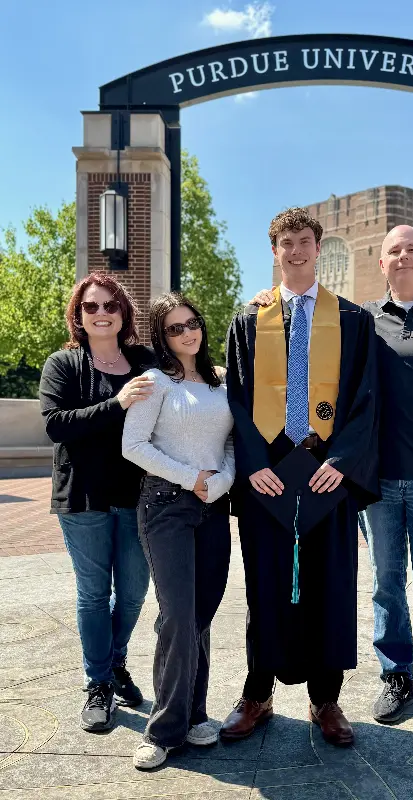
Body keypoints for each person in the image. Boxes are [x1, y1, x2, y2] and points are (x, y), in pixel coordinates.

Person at [251, 224, 413, 751]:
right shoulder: (359, 320)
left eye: (412, 249)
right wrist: (269, 302)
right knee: (386, 584)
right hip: (374, 479)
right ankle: (397, 675)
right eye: (393, 251)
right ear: (379, 263)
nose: (402, 257)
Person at [222, 207, 379, 747]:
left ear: (319, 248)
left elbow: (365, 402)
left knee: (329, 586)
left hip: (325, 475)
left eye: (305, 240)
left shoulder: (354, 320)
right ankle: (257, 694)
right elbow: (237, 403)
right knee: (264, 587)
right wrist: (254, 465)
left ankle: (325, 700)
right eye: (285, 242)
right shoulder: (249, 321)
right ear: (274, 250)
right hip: (267, 476)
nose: (296, 250)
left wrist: (341, 462)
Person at [122, 293, 234, 770]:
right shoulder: (154, 382)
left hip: (213, 505)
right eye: (174, 328)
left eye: (192, 323)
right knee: (179, 614)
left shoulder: (223, 383)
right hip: (166, 506)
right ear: (160, 336)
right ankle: (164, 730)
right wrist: (191, 478)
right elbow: (133, 446)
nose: (188, 333)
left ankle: (195, 714)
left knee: (200, 615)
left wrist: (222, 480)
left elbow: (233, 442)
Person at [39, 273, 155, 733]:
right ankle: (99, 683)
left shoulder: (145, 360)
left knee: (131, 593)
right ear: (79, 314)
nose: (101, 312)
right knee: (93, 594)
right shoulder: (64, 364)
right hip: (83, 498)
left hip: (136, 497)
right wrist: (119, 403)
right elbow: (56, 424)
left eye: (110, 305)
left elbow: (190, 359)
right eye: (91, 306)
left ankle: (115, 660)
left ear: (124, 312)